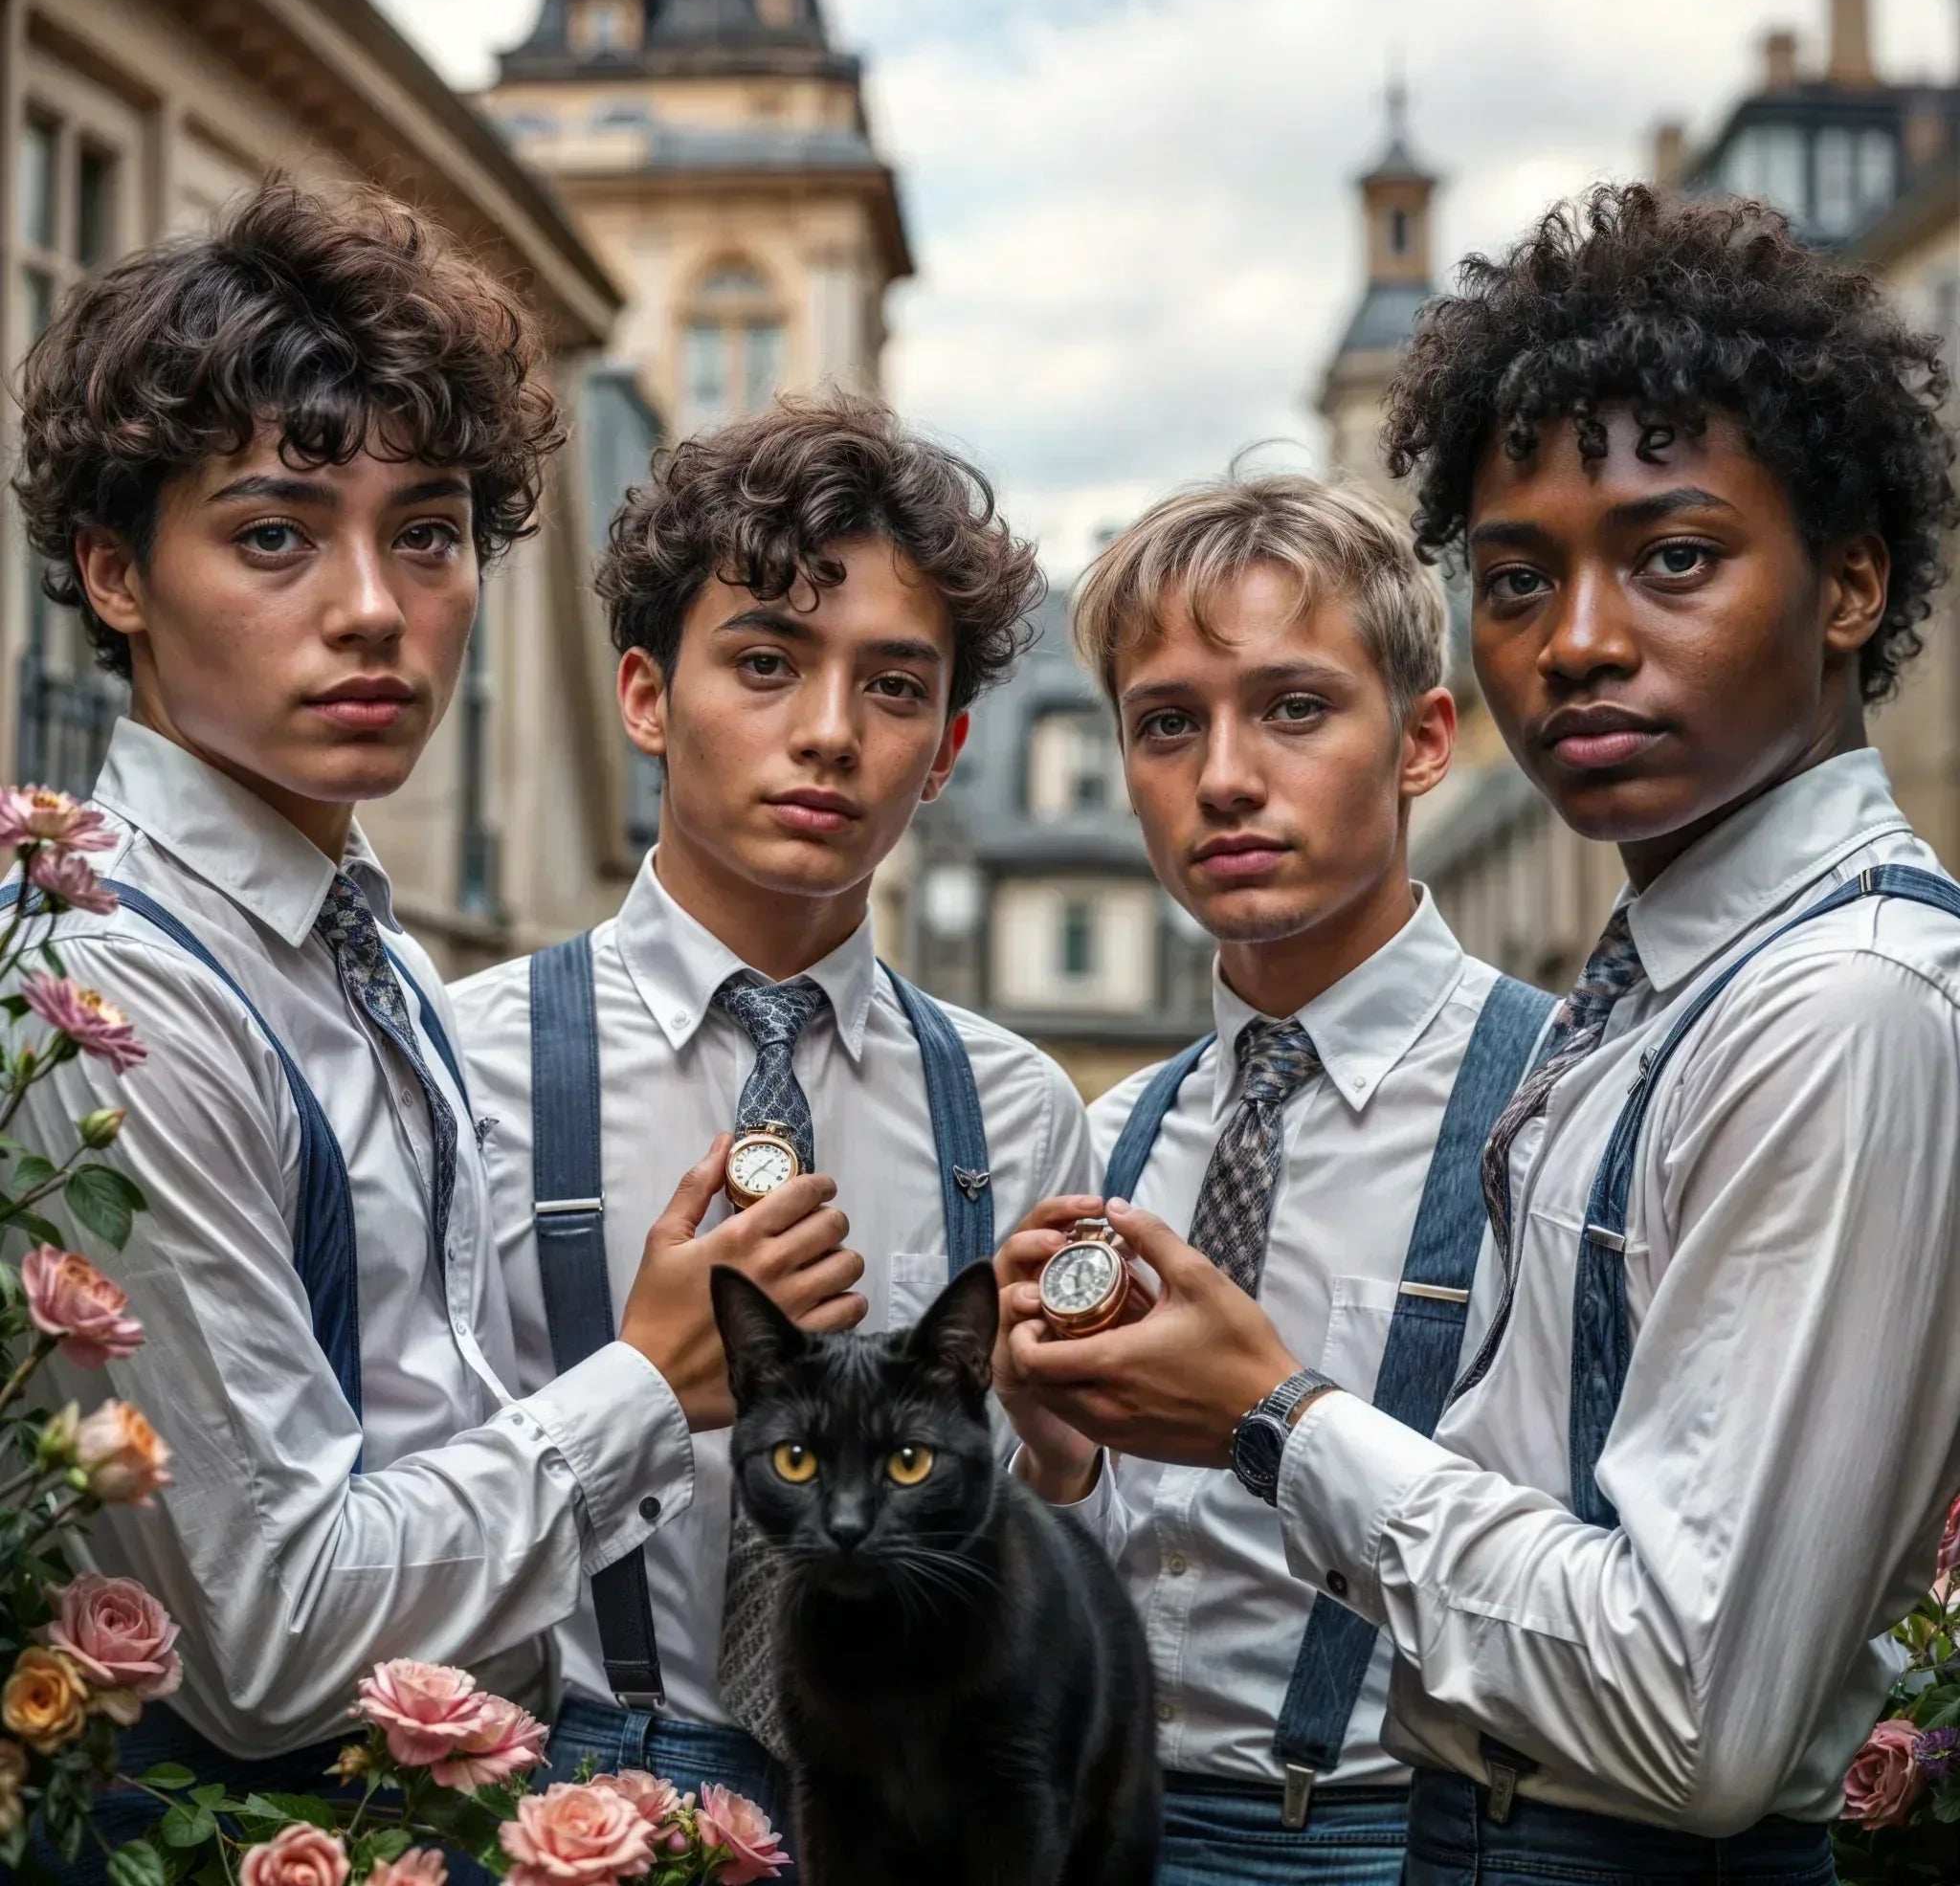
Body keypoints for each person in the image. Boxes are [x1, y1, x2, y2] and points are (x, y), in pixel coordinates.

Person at [1004, 184, 1960, 1885]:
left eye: (1675, 558)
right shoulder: (1639, 1017)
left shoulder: (1830, 1006)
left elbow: (1696, 1709)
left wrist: (1273, 1415)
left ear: (1851, 585)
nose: (1580, 644)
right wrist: (1067, 1463)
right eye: (1518, 579)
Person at [8, 183, 850, 1858]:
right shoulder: (103, 987)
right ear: (114, 570)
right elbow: (268, 1637)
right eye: (275, 535)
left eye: (429, 534)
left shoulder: (368, 950)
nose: (376, 608)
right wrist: (646, 1380)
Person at [451, 393, 1089, 1826]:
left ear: (947, 748)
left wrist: (1066, 1457)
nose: (830, 732)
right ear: (644, 697)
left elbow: (1054, 1547)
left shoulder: (1017, 1110)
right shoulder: (467, 1066)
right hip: (555, 1794)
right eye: (765, 663)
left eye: (894, 687)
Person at [993, 472, 1549, 1885]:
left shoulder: (1558, 1107)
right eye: (1167, 723)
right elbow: (1105, 1567)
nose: (1225, 776)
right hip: (1103, 1829)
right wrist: (1057, 1465)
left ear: (1423, 740)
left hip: (1404, 1841)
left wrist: (1271, 1414)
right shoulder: (1118, 1131)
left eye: (1294, 708)